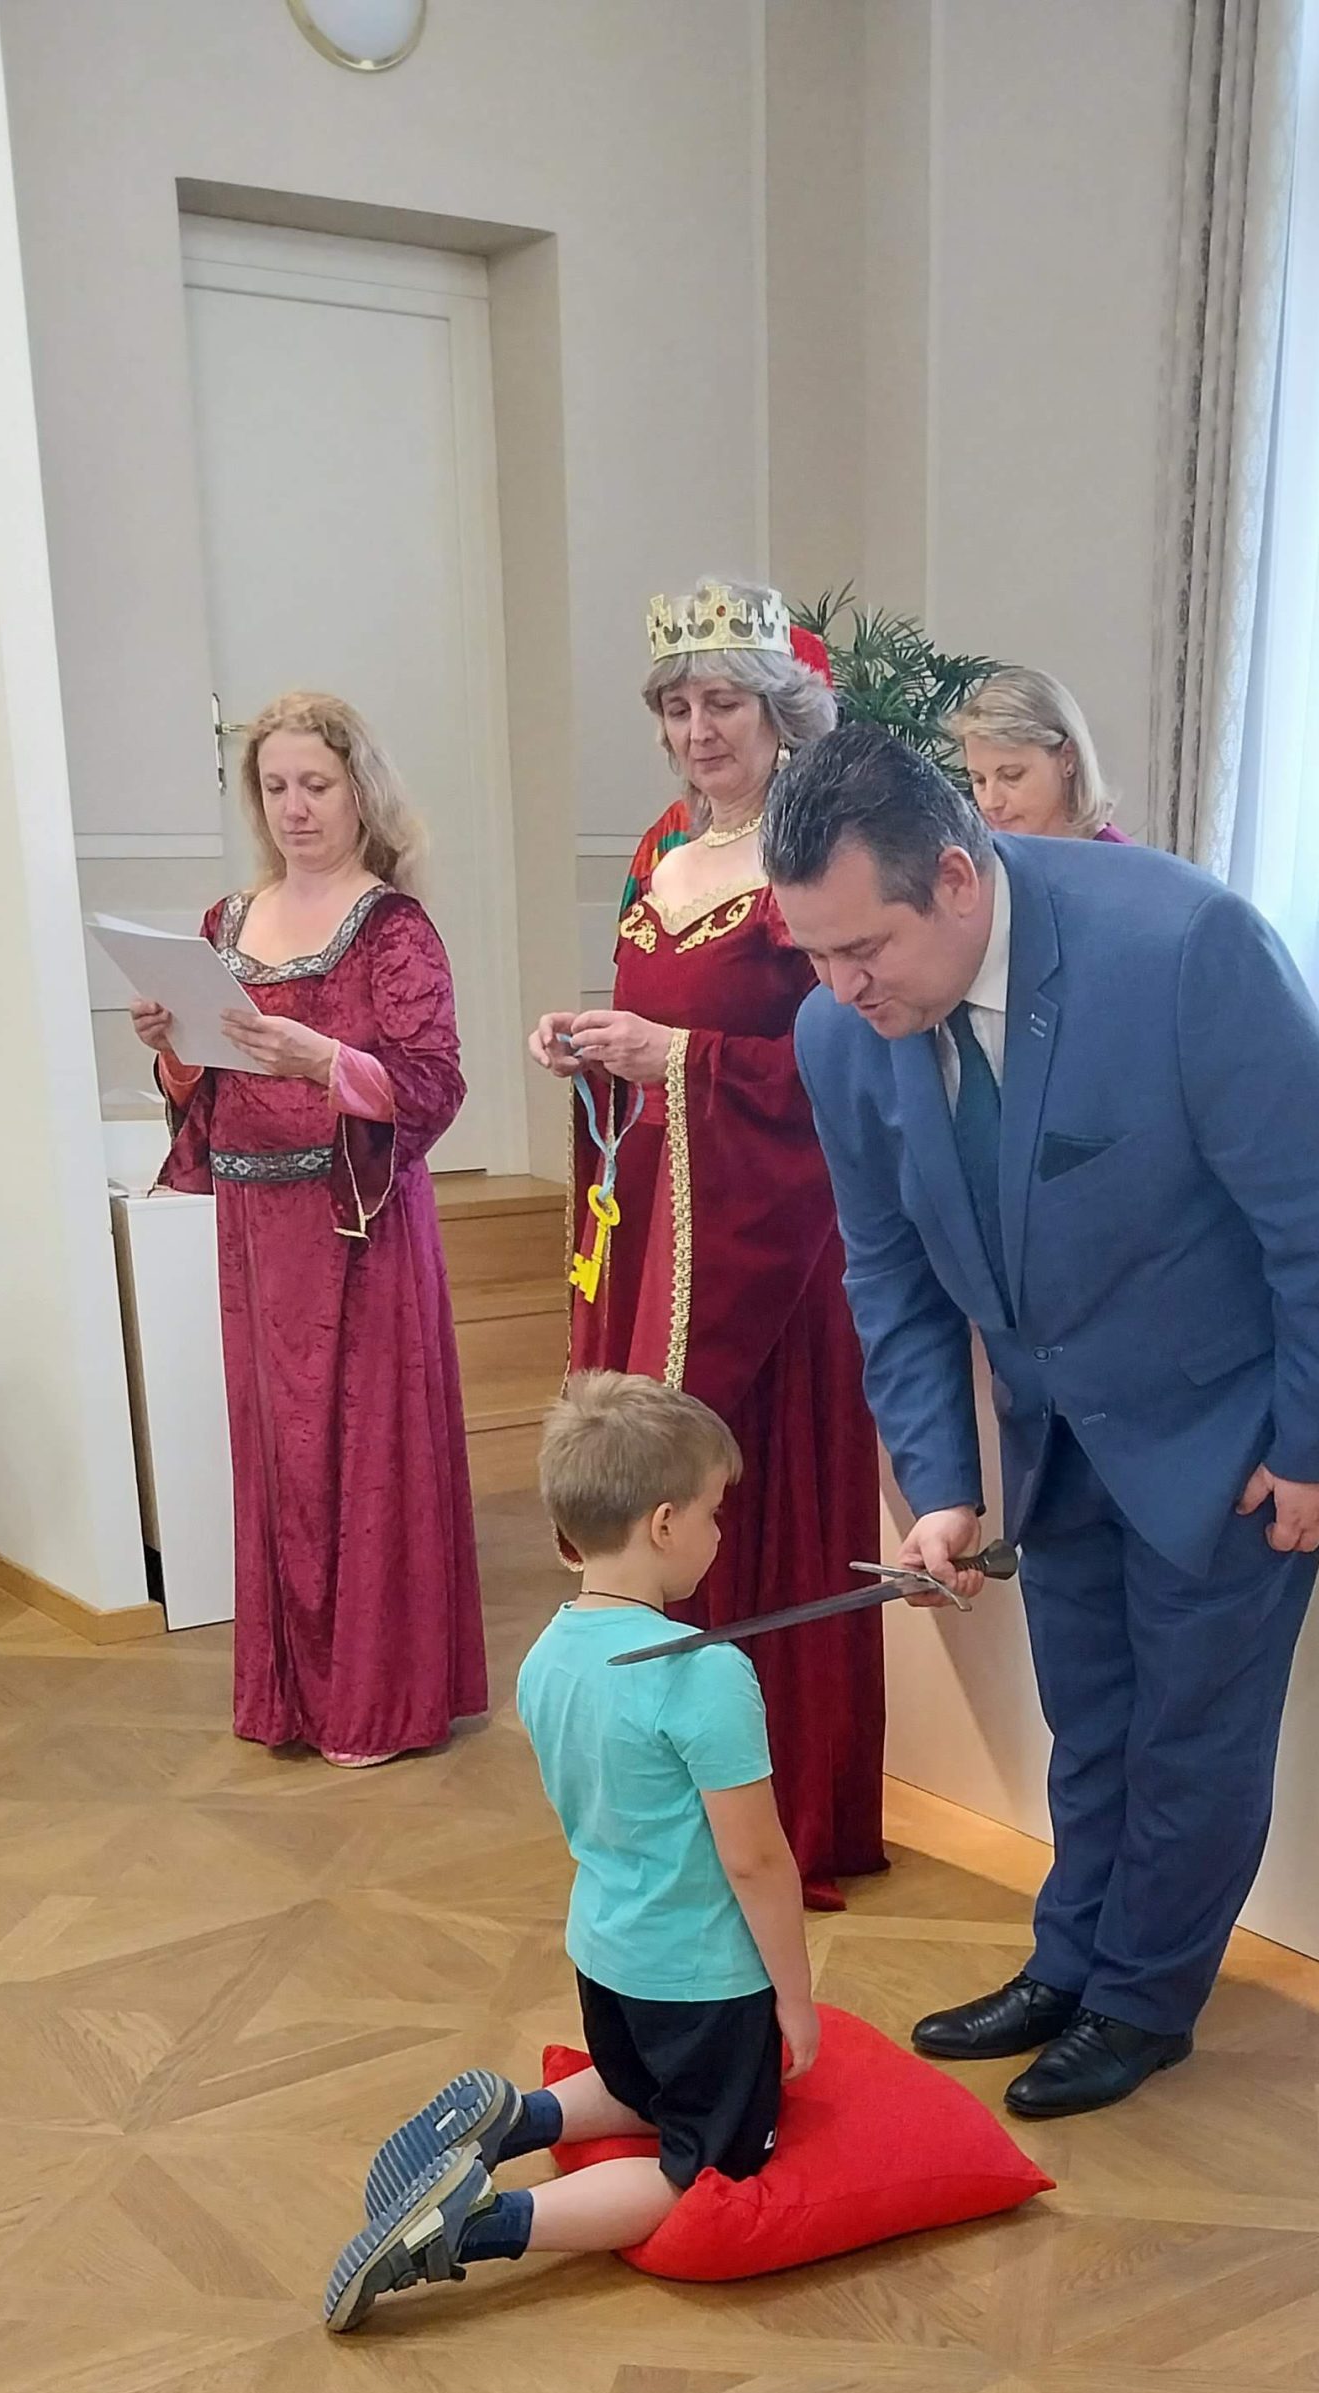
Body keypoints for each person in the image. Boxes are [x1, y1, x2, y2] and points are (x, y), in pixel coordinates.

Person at [762, 726, 1319, 2121]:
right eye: (811, 954)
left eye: (862, 948)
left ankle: (1143, 1998)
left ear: (957, 880)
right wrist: (940, 1486)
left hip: (1230, 1425)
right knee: (1092, 1724)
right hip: (1056, 1433)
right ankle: (1067, 1962)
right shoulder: (840, 1032)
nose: (838, 988)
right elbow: (888, 1270)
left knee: (1193, 1733)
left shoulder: (1182, 948)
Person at [321, 1370, 816, 2331]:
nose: (720, 1532)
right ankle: (473, 2225)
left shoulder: (546, 1653)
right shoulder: (706, 1674)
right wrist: (793, 2003)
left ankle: (519, 2117)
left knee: (640, 2082)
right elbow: (756, 1862)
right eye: (714, 1512)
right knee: (703, 2165)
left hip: (605, 1957)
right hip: (702, 1983)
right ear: (665, 1524)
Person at [528, 579, 885, 1910]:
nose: (697, 731)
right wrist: (590, 1045)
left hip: (775, 1244)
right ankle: (668, 1787)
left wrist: (676, 1055)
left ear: (779, 707)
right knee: (656, 1491)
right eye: (676, 707)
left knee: (751, 1495)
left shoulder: (818, 850)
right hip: (663, 1224)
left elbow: (850, 1053)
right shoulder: (661, 848)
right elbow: (656, 1019)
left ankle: (782, 1805)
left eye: (722, 701)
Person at [135, 691, 486, 1766]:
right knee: (281, 1461)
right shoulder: (223, 924)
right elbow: (202, 1087)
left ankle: (373, 1702)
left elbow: (434, 1085)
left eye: (316, 785)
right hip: (254, 1230)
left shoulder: (392, 928)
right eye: (276, 786)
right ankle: (292, 1696)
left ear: (359, 792)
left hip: (356, 1229)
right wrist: (172, 1045)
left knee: (360, 1457)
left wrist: (326, 1060)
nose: (295, 807)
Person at [950, 666, 1129, 841]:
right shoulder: (980, 855)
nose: (990, 803)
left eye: (1012, 775)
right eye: (979, 780)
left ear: (1068, 758)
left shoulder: (1118, 859)